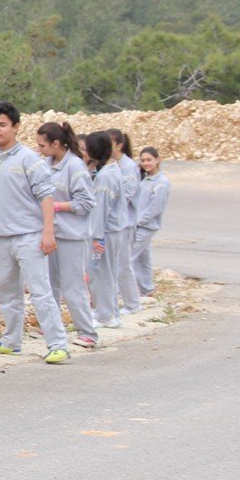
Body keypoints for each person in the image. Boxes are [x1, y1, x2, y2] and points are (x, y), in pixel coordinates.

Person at [0, 101, 70, 365]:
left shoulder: (28, 159)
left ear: (16, 127)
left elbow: (46, 195)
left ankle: (58, 344)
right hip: (1, 236)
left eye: (3, 125)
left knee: (40, 291)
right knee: (6, 292)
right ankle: (12, 341)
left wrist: (48, 231)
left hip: (29, 235)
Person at [36, 122, 99, 349]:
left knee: (73, 286)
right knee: (50, 284)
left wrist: (58, 206)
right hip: (51, 233)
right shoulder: (46, 165)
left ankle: (87, 331)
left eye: (42, 145)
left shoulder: (74, 166)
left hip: (72, 235)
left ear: (56, 143)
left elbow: (86, 202)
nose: (39, 149)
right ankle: (53, 327)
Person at [84, 131, 126, 329]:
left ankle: (104, 315)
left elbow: (100, 209)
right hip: (115, 230)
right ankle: (111, 312)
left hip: (105, 232)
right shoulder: (112, 170)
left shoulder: (105, 177)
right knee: (109, 273)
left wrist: (96, 237)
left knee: (99, 273)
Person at [107, 128, 143, 315]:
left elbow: (127, 193)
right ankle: (114, 303)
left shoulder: (128, 166)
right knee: (113, 266)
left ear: (119, 145)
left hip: (125, 222)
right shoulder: (112, 164)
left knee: (123, 265)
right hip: (114, 222)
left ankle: (132, 303)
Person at [131, 147, 172, 298]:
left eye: (149, 160)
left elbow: (155, 208)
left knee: (127, 258)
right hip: (138, 224)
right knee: (143, 259)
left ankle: (124, 292)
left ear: (157, 160)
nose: (145, 163)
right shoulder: (144, 178)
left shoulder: (162, 182)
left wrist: (136, 221)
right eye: (143, 160)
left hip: (145, 226)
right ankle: (147, 290)